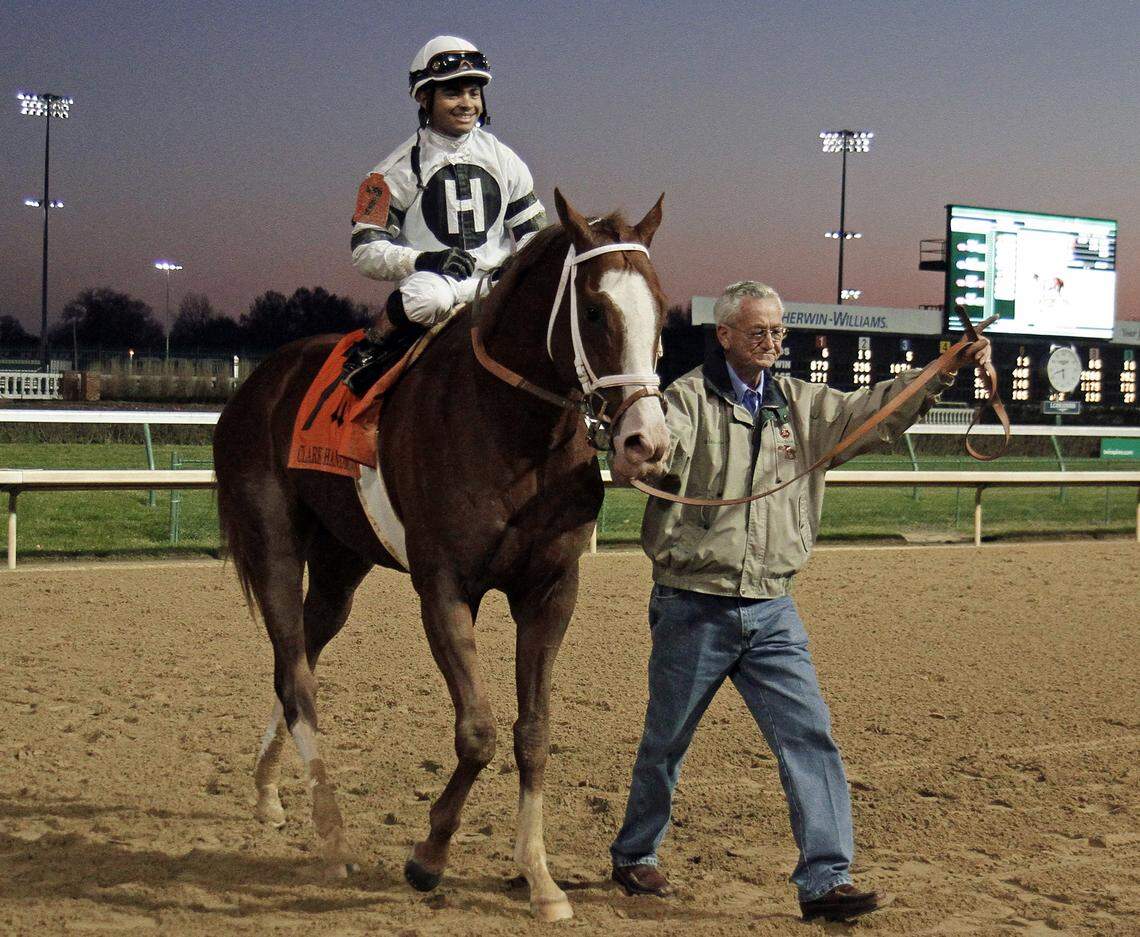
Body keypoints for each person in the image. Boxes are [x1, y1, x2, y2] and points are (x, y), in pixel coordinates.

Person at [609, 280, 992, 923]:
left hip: (772, 609)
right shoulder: (687, 399)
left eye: (778, 332)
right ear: (724, 335)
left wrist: (943, 367)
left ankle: (825, 880)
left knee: (809, 738)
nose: (771, 343)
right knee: (667, 741)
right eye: (757, 332)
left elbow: (879, 408)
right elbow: (655, 441)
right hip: (693, 605)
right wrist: (637, 452)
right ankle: (635, 852)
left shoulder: (804, 406)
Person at [344, 35, 546, 392]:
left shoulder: (507, 159)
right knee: (427, 299)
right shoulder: (388, 174)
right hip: (435, 285)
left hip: (495, 283)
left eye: (473, 92)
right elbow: (364, 251)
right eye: (453, 93)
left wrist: (519, 264)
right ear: (425, 97)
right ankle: (373, 346)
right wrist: (425, 260)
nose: (467, 103)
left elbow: (534, 233)